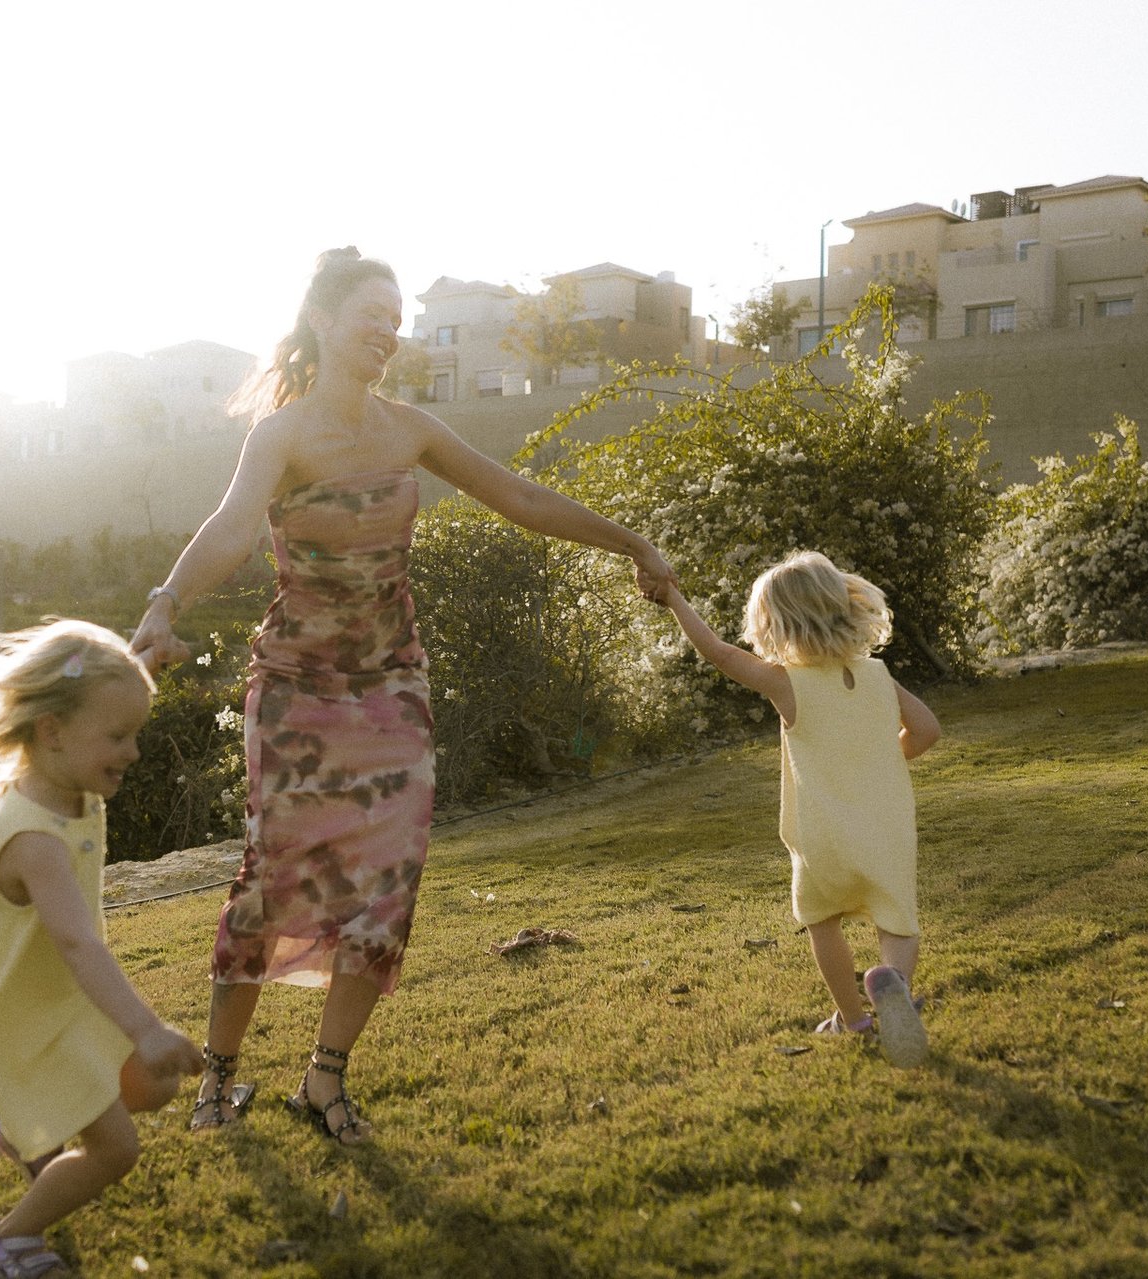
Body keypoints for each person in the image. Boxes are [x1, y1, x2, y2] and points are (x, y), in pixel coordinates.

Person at [129, 247, 676, 1144]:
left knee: (389, 882)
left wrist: (632, 543)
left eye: (397, 320)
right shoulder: (282, 435)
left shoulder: (410, 429)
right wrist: (165, 602)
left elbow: (518, 494)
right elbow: (229, 527)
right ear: (322, 319)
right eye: (371, 316)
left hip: (392, 689)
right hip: (297, 691)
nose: (388, 332)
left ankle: (325, 1078)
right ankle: (217, 1080)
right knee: (273, 877)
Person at [0, 619, 205, 1277]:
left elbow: (102, 686)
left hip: (67, 1008)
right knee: (116, 1150)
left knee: (153, 1085)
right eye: (119, 736)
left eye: (134, 732)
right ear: (52, 731)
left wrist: (149, 660)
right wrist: (146, 1027)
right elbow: (76, 942)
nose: (133, 752)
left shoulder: (68, 774)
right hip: (27, 1029)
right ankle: (8, 1240)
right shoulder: (35, 841)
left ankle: (26, 1125)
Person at [652, 551, 940, 1068]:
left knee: (822, 921)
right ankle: (895, 983)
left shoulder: (787, 682)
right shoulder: (878, 676)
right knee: (897, 920)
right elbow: (926, 731)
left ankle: (852, 1019)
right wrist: (879, 758)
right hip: (887, 828)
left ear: (776, 624)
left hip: (823, 834)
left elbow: (719, 653)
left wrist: (673, 597)